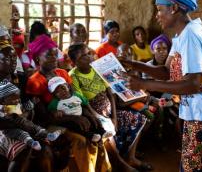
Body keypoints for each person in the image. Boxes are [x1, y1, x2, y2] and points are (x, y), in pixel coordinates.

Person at [122, 0, 202, 171]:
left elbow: (191, 84)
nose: (157, 15)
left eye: (160, 9)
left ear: (174, 8)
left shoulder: (190, 36)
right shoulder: (182, 35)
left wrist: (145, 83)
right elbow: (167, 71)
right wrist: (133, 64)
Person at [25, 37, 111, 172]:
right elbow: (44, 117)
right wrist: (74, 118)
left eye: (55, 53)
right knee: (80, 140)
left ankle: (101, 169)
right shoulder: (34, 82)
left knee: (97, 129)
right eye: (49, 55)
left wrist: (90, 115)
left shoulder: (62, 73)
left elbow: (75, 98)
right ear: (37, 59)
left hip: (74, 114)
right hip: (54, 122)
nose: (54, 58)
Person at [68, 43, 150, 171]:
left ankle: (130, 157)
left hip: (109, 112)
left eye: (89, 53)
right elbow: (83, 102)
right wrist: (100, 117)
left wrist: (114, 118)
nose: (89, 57)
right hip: (94, 114)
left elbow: (110, 95)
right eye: (83, 56)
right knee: (106, 129)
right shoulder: (73, 76)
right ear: (74, 62)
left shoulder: (97, 69)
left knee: (137, 118)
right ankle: (119, 162)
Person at [0, 80, 61, 150]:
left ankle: (44, 137)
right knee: (22, 128)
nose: (17, 101)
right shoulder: (4, 108)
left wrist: (30, 104)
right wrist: (31, 105)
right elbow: (20, 112)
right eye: (14, 99)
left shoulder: (13, 105)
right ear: (2, 101)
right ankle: (39, 138)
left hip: (18, 126)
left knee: (27, 126)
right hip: (8, 130)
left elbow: (22, 109)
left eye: (18, 98)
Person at [47, 76, 110, 142]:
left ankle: (103, 132)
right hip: (69, 119)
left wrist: (93, 114)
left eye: (63, 88)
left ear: (68, 86)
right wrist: (55, 112)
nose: (62, 92)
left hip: (81, 114)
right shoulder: (55, 102)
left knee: (92, 120)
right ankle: (91, 136)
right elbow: (51, 112)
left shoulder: (76, 95)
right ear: (54, 95)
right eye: (57, 92)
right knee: (75, 126)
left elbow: (85, 102)